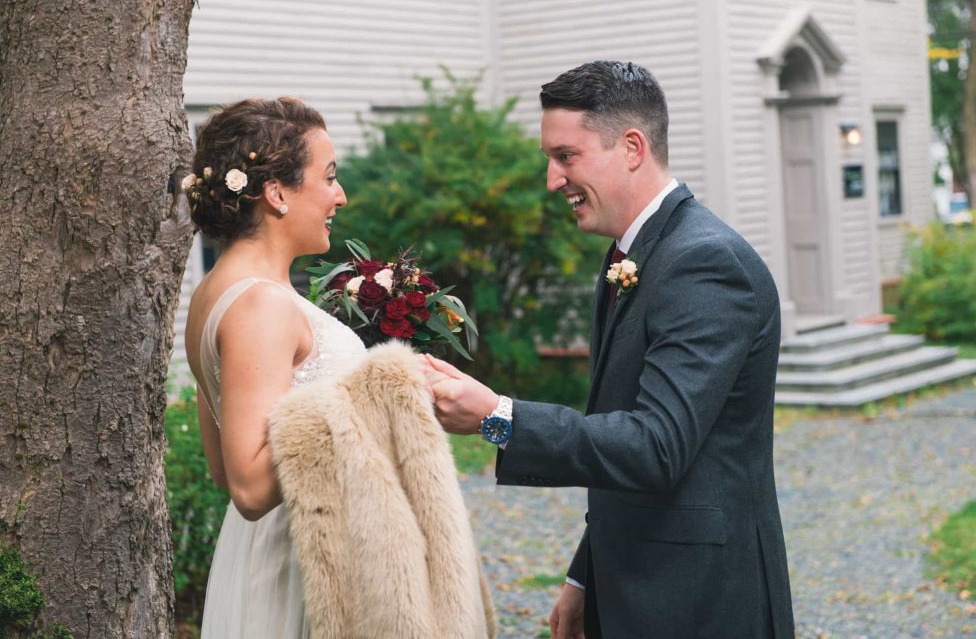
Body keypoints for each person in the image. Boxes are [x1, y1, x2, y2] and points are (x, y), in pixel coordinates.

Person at [426, 61, 794, 638]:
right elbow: (621, 433)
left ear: (631, 147)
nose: (552, 179)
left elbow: (654, 445)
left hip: (698, 601)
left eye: (566, 157)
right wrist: (585, 576)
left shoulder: (704, 263)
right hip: (633, 582)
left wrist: (498, 418)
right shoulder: (632, 254)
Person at [182, 97, 361, 638]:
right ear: (277, 193)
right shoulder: (260, 306)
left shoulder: (215, 293)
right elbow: (251, 488)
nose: (340, 196)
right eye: (328, 178)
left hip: (270, 548)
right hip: (296, 560)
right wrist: (367, 402)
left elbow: (222, 466)